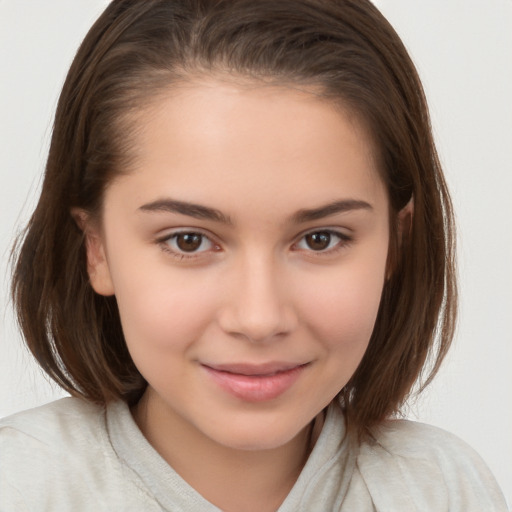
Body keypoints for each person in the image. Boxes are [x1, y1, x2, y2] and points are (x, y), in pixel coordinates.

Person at [0, 0, 508, 510]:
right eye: (188, 240)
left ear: (395, 243)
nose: (259, 319)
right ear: (98, 249)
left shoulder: (443, 490)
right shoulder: (19, 485)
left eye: (320, 239)